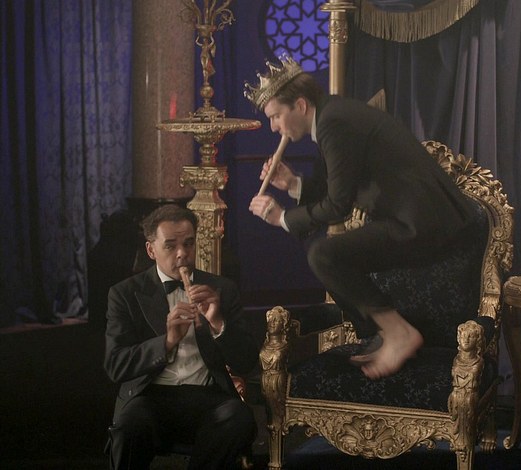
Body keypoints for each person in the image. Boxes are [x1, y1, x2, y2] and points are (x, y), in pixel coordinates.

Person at [244, 55, 477, 380]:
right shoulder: (332, 114)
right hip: (415, 219)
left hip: (424, 224)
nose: (273, 127)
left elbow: (337, 206)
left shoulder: (333, 122)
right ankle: (383, 334)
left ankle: (397, 333)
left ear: (300, 105)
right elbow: (334, 187)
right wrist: (292, 183)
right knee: (328, 257)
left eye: (276, 116)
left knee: (324, 255)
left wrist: (282, 218)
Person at [103, 204, 259, 469]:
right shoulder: (124, 294)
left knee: (239, 418)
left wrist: (218, 323)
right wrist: (167, 342)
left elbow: (247, 363)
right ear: (151, 250)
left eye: (188, 244)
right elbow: (115, 365)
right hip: (151, 396)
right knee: (129, 426)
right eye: (170, 245)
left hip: (208, 395)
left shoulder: (223, 289)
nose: (182, 254)